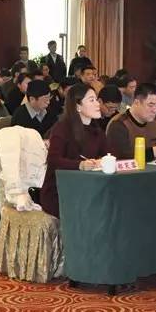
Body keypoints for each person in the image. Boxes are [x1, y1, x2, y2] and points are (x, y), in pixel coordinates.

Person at [41, 83, 110, 217]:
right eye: (91, 100)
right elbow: (53, 160)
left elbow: (107, 153)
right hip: (60, 191)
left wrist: (102, 161)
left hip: (88, 187)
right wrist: (80, 165)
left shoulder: (96, 130)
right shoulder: (62, 128)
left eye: (96, 100)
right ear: (78, 106)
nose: (98, 104)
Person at [106, 83, 156, 160]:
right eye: (150, 105)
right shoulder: (119, 124)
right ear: (136, 103)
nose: (154, 110)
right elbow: (122, 157)